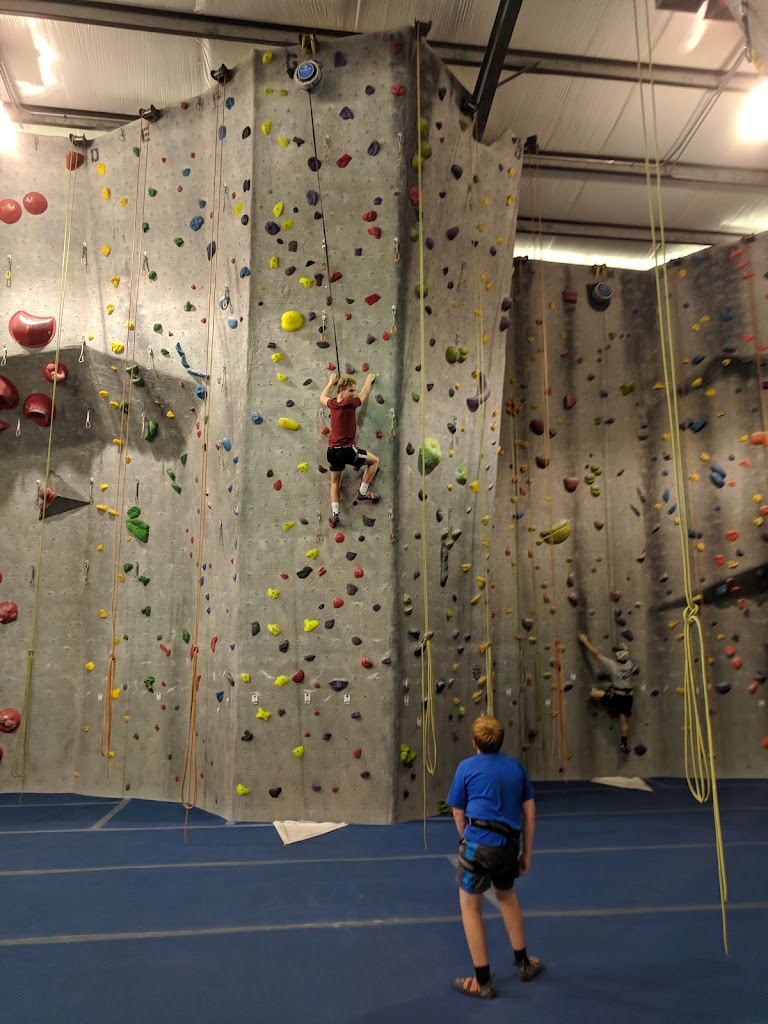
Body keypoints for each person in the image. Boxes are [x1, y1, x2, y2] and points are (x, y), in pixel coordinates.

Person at [446, 715, 542, 1000]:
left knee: (470, 907)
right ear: (500, 741)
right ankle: (524, 964)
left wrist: (466, 839)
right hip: (508, 845)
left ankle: (483, 982)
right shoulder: (515, 767)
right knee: (506, 897)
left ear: (474, 741)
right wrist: (527, 853)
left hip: (478, 842)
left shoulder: (466, 767)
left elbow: (458, 811)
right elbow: (530, 812)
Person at [320, 371, 380, 528]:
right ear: (342, 389)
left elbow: (322, 397)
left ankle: (335, 514)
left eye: (354, 390)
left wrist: (330, 382)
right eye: (351, 390)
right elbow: (364, 393)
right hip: (347, 451)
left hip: (332, 451)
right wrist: (369, 380)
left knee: (335, 482)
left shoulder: (333, 403)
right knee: (374, 461)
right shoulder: (351, 403)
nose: (353, 393)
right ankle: (362, 492)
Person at [579, 633, 635, 753]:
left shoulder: (612, 665)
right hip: (628, 697)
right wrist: (623, 649)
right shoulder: (629, 664)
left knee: (593, 694)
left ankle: (610, 705)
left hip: (617, 697)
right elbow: (624, 652)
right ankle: (624, 744)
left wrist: (585, 641)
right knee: (624, 721)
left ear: (617, 658)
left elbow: (596, 654)